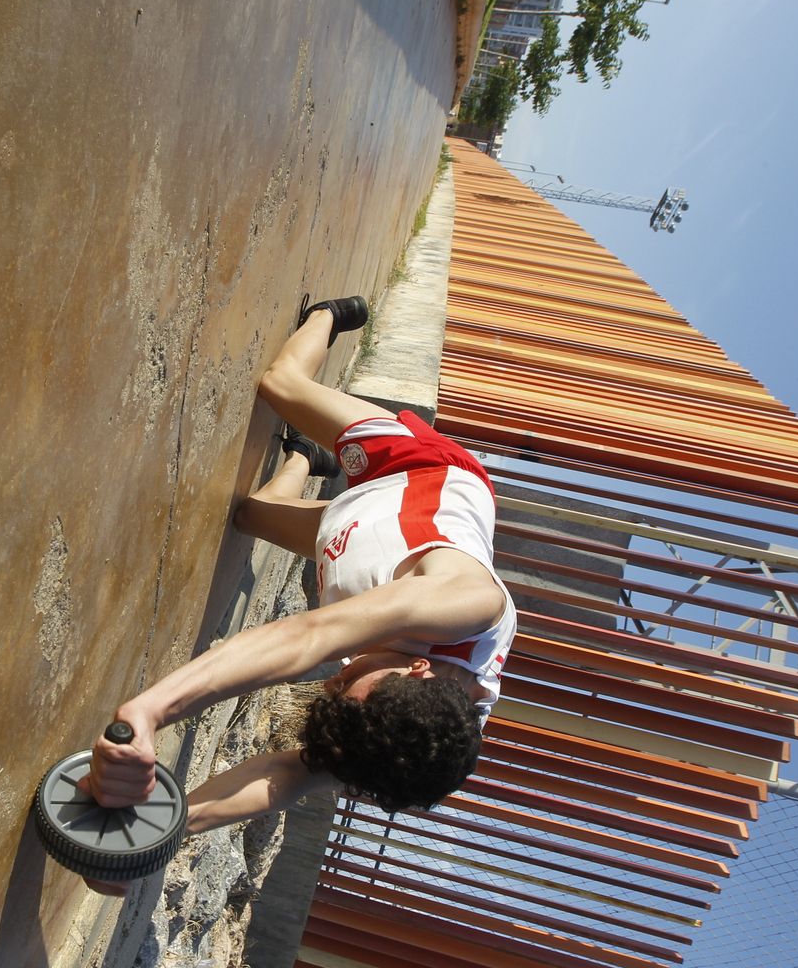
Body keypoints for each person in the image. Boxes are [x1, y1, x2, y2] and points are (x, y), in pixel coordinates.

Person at [85, 295, 517, 871]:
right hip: (413, 476)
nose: (334, 687)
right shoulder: (466, 604)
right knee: (279, 383)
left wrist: (150, 838)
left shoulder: (404, 743)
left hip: (348, 545)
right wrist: (149, 712)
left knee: (252, 513)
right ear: (419, 670)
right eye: (350, 691)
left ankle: (305, 464)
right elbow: (308, 637)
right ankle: (331, 315)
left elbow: (287, 777)